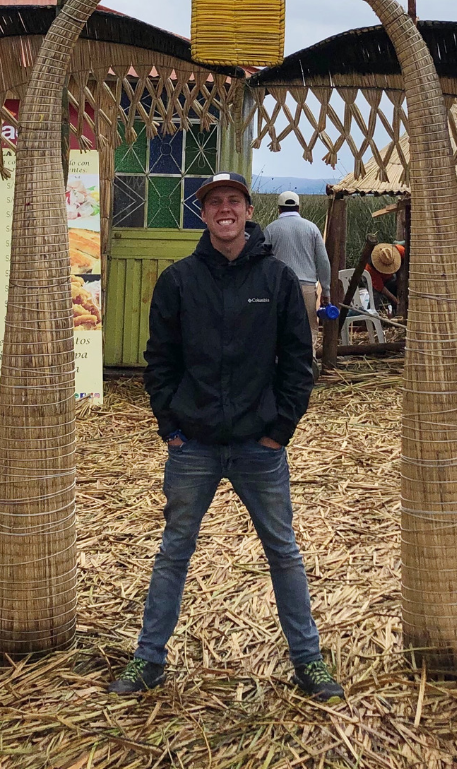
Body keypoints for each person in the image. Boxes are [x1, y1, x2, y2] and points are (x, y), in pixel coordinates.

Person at [109, 172, 344, 701]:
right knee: (174, 551)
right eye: (215, 202)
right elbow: (160, 362)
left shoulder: (278, 280)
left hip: (258, 446)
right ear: (204, 213)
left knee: (283, 551)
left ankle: (309, 661)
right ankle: (148, 660)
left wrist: (280, 429)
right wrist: (169, 426)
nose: (225, 209)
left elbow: (297, 362)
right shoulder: (179, 280)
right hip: (192, 446)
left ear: (247, 210)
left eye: (233, 201)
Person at [264, 191, 331, 338]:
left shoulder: (270, 229)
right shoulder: (311, 228)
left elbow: (262, 261)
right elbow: (323, 261)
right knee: (308, 329)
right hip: (306, 287)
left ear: (279, 209)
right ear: (298, 208)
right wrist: (326, 291)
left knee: (281, 329)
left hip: (279, 287)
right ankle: (309, 359)